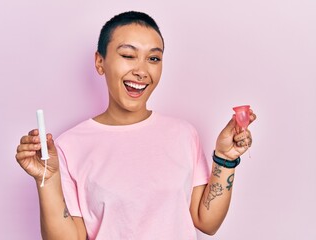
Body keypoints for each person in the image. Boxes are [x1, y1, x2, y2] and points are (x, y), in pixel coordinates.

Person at [15, 11, 256, 240]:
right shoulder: (69, 146)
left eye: (153, 58)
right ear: (100, 62)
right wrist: (46, 180)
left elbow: (207, 221)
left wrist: (225, 158)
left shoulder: (183, 134)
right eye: (128, 55)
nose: (141, 71)